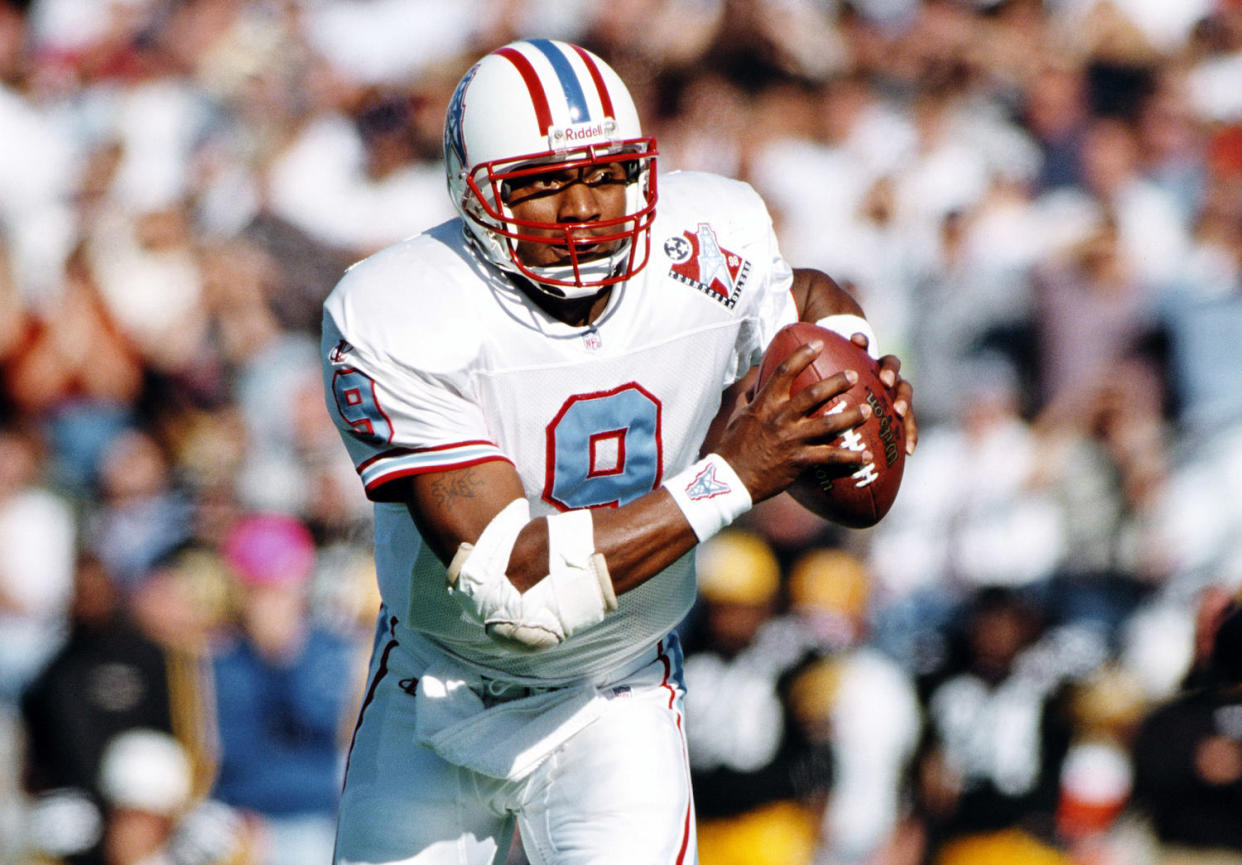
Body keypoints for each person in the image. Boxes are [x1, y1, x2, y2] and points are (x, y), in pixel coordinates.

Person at [320, 38, 917, 865]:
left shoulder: (708, 237)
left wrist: (847, 358)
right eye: (540, 184)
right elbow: (518, 591)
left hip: (619, 689)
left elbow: (802, 295)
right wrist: (735, 475)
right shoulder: (402, 309)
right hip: (439, 687)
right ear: (472, 193)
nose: (583, 208)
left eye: (605, 173)